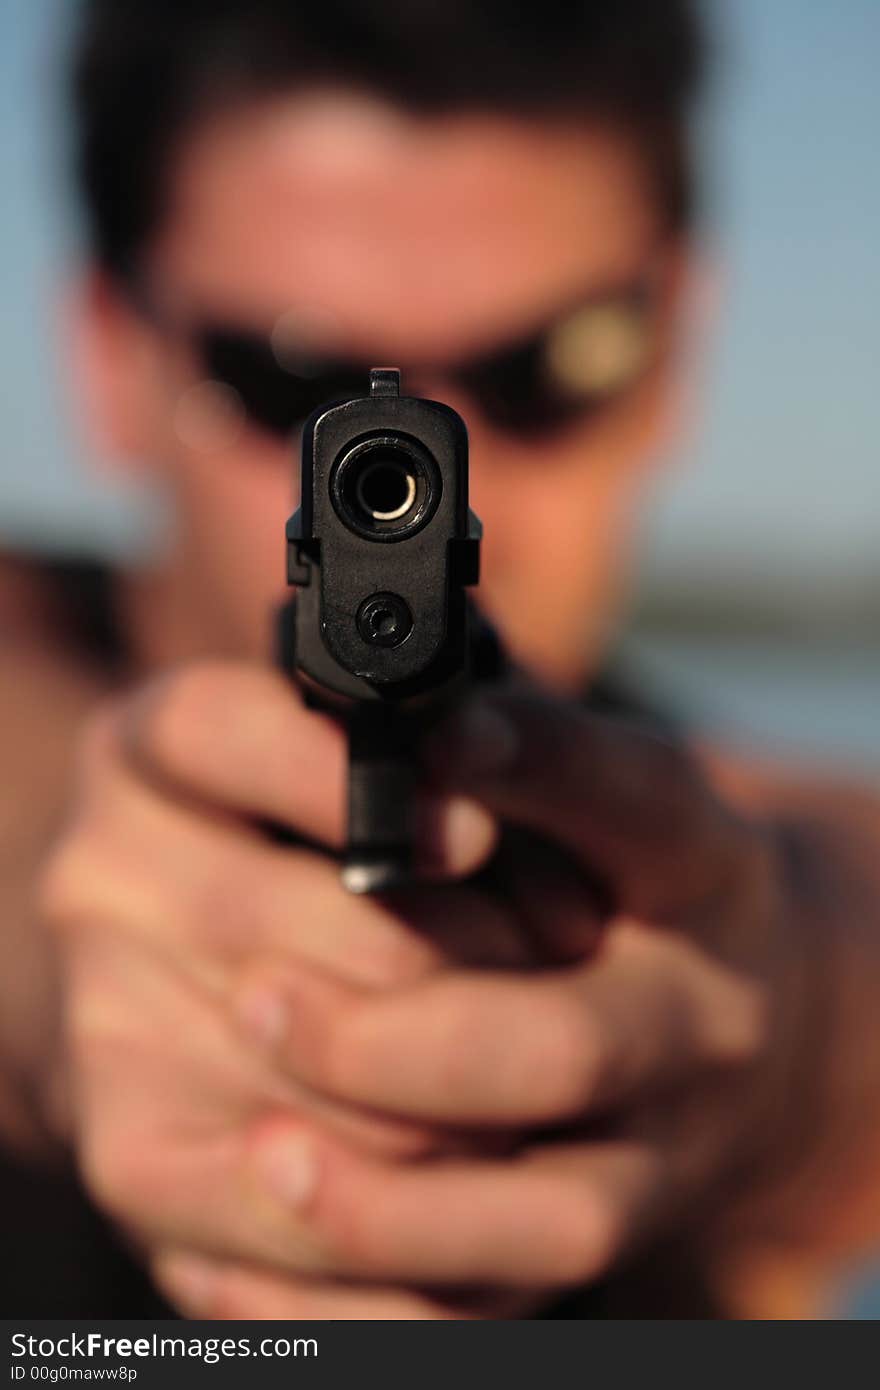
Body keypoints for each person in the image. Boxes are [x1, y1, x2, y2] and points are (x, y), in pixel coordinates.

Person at [1, 0, 879, 1319]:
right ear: (111, 359)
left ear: (676, 348)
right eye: (289, 377)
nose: (428, 481)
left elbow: (841, 897)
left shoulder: (705, 857)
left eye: (552, 363)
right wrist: (65, 924)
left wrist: (771, 1027)